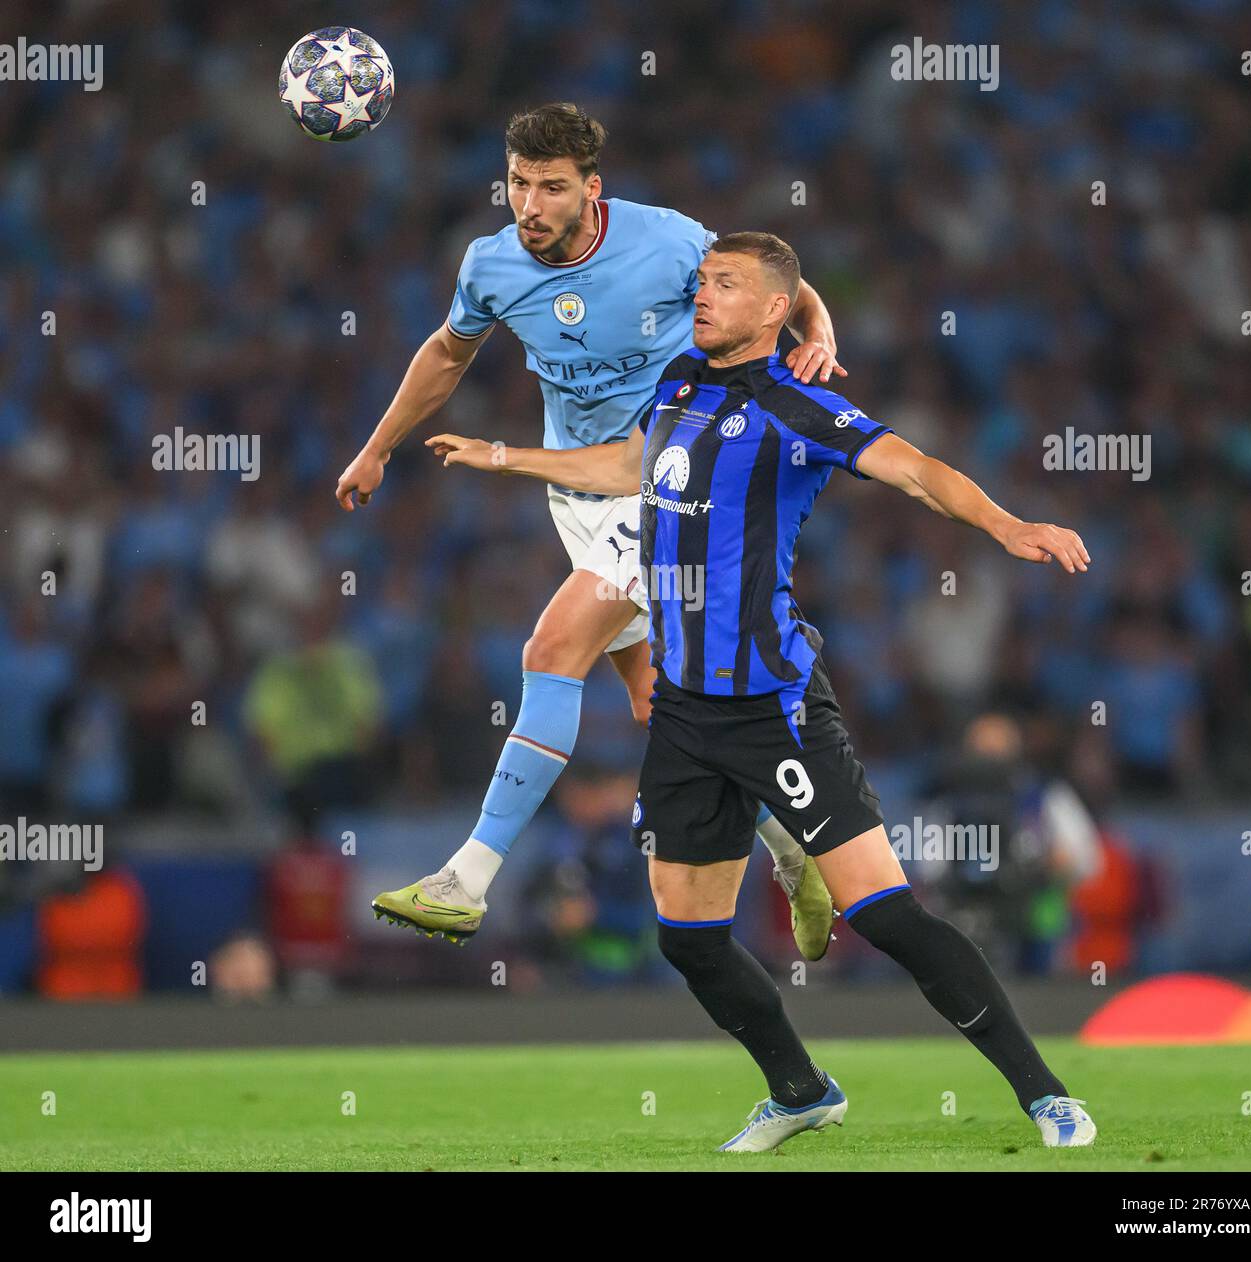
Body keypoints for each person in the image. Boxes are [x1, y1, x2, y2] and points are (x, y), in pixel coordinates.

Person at [432, 231, 1098, 1152]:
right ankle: (800, 1090)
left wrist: (1007, 524)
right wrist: (504, 456)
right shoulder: (677, 381)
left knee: (887, 916)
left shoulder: (796, 403)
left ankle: (1047, 1096)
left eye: (726, 284)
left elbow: (915, 470)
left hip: (774, 706)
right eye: (702, 280)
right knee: (688, 938)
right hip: (682, 711)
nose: (702, 295)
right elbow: (628, 464)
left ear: (776, 308)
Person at [338, 103, 838, 956]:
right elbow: (448, 353)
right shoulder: (490, 263)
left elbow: (772, 282)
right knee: (660, 700)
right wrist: (377, 448)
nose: (530, 205)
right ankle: (795, 853)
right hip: (579, 489)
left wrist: (816, 330)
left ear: (591, 189)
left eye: (551, 188)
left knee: (551, 647)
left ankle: (466, 879)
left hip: (671, 478)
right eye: (518, 184)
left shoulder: (668, 241)